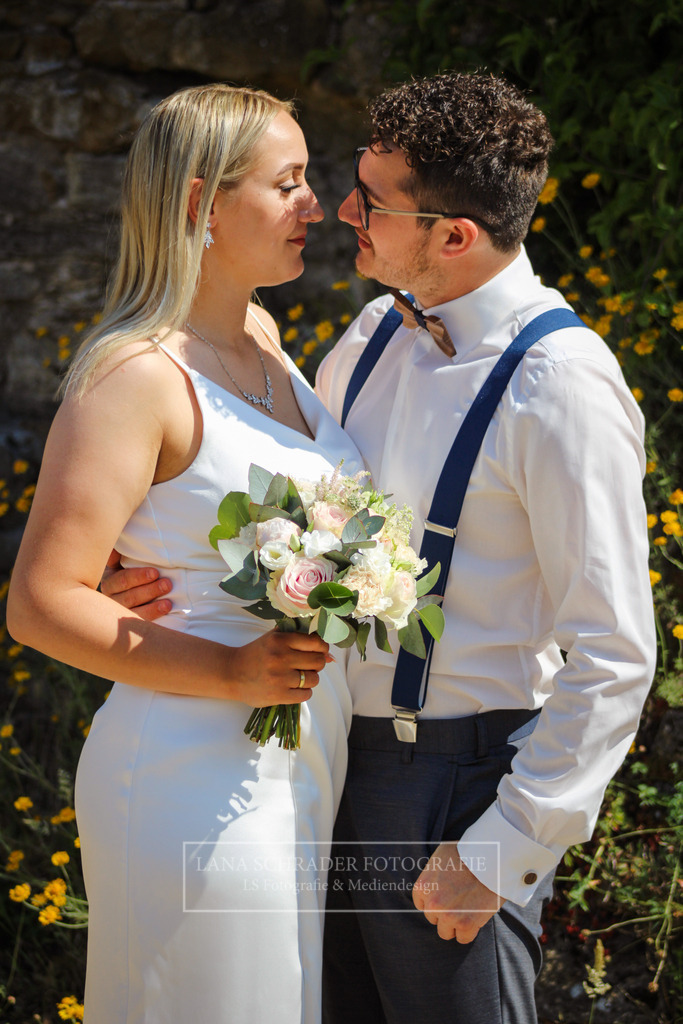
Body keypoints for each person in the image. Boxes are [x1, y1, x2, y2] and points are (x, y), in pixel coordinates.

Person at [102, 72, 656, 1023]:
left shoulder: (562, 384)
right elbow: (276, 500)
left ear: (454, 235)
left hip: (457, 794)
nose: (341, 211)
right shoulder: (368, 336)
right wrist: (148, 569)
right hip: (315, 772)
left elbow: (613, 653)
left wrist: (504, 850)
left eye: (373, 200)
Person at [7, 83, 367, 1024]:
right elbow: (40, 602)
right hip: (189, 770)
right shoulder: (133, 374)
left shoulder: (262, 338)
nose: (315, 204)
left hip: (300, 758)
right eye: (287, 183)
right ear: (203, 203)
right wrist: (231, 670)